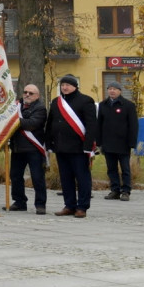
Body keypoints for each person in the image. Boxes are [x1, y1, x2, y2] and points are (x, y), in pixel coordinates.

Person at [46, 74, 97, 218]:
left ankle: (82, 207)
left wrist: (88, 146)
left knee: (82, 178)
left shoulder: (86, 101)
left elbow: (91, 126)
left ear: (75, 86)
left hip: (79, 148)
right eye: (62, 85)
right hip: (61, 147)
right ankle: (69, 205)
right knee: (66, 178)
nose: (64, 87)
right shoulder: (56, 102)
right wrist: (49, 142)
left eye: (68, 85)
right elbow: (50, 124)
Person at [8, 84, 47, 214]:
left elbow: (32, 124)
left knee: (37, 177)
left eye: (31, 93)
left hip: (33, 148)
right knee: (15, 176)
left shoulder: (40, 108)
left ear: (37, 96)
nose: (27, 95)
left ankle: (40, 204)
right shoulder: (15, 106)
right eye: (25, 92)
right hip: (17, 147)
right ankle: (19, 202)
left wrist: (14, 120)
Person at [97, 81, 138, 201]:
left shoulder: (128, 105)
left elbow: (133, 125)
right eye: (110, 89)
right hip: (108, 143)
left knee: (125, 168)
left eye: (115, 89)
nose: (112, 91)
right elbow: (99, 124)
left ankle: (126, 191)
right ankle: (115, 190)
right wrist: (99, 141)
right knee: (111, 168)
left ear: (120, 91)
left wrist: (132, 142)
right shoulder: (103, 105)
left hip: (123, 143)